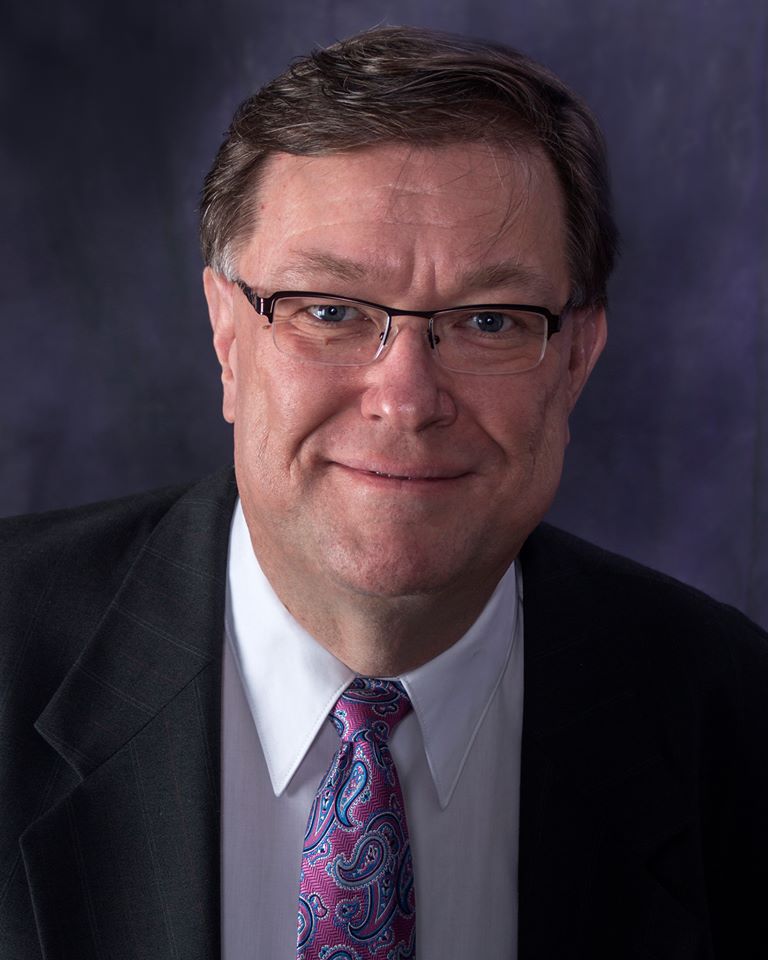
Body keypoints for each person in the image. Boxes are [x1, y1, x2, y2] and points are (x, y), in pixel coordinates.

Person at [1, 25, 766, 960]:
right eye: (329, 310)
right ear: (227, 338)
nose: (405, 399)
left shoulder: (735, 723)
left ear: (576, 360)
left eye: (490, 321)